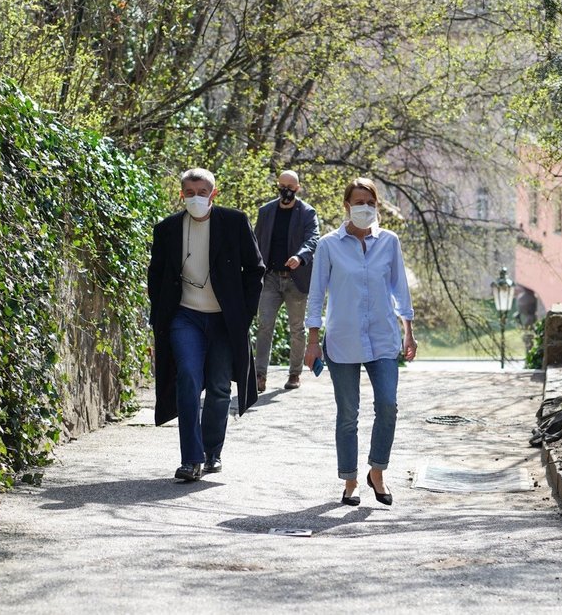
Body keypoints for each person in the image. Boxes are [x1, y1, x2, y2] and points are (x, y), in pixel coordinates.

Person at [304, 177, 417, 507]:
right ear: (346, 206)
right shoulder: (328, 245)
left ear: (376, 205)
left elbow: (400, 289)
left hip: (383, 337)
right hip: (342, 339)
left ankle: (377, 471)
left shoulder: (389, 242)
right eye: (358, 202)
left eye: (370, 202)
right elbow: (315, 296)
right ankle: (350, 480)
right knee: (348, 413)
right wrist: (312, 341)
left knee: (387, 405)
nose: (364, 207)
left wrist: (408, 329)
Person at [147, 168, 265, 482]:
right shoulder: (168, 229)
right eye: (189, 192)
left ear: (213, 194)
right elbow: (156, 276)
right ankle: (191, 458)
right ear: (181, 194)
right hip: (185, 317)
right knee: (186, 377)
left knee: (218, 388)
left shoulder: (234, 222)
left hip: (225, 320)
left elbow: (255, 270)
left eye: (202, 192)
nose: (196, 198)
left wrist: (244, 314)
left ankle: (212, 452)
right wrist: (158, 318)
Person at [253, 170, 320, 392]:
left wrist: (300, 257)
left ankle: (294, 374)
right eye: (282, 185)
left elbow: (313, 239)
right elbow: (255, 242)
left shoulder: (307, 213)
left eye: (291, 187)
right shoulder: (266, 211)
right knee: (265, 326)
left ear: (298, 188)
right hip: (270, 277)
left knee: (297, 328)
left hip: (295, 279)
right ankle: (259, 375)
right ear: (277, 186)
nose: (286, 190)